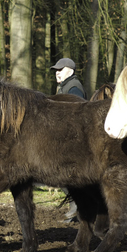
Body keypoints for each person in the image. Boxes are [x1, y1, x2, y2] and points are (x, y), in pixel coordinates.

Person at [49, 57, 85, 222]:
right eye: (56, 70)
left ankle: (77, 205)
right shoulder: (63, 87)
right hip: (63, 136)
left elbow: (76, 113)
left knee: (63, 173)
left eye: (60, 70)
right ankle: (76, 206)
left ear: (70, 70)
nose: (57, 73)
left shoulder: (74, 87)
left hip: (72, 138)